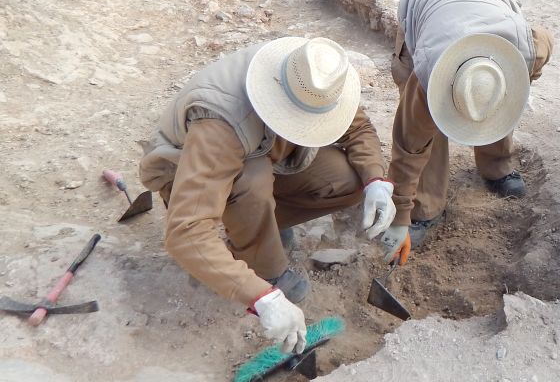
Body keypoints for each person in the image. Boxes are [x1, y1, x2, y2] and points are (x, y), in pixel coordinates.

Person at [140, 36, 394, 355]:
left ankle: (258, 224)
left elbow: (358, 129)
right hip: (193, 168)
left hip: (268, 151)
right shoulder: (221, 121)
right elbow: (185, 232)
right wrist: (262, 297)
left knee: (347, 180)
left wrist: (375, 180)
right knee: (251, 180)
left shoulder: (319, 76)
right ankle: (266, 266)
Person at [379, 0, 553, 258]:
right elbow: (409, 147)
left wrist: (503, 95)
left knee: (492, 98)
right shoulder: (424, 76)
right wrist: (400, 218)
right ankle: (427, 206)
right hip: (425, 4)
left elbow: (542, 45)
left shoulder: (527, 52)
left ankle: (497, 166)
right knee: (426, 128)